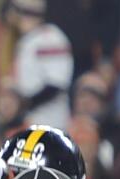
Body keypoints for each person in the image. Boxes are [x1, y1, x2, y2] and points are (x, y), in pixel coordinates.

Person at [7, 0, 73, 130]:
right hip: (30, 120)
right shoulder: (28, 39)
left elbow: (55, 84)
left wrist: (25, 103)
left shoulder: (50, 38)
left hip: (49, 121)